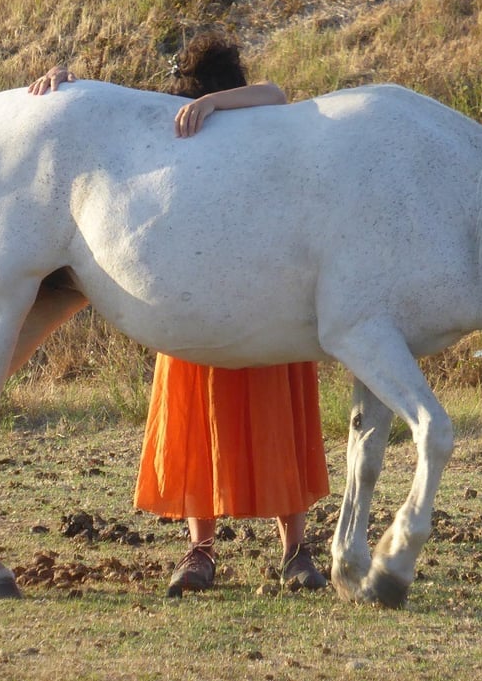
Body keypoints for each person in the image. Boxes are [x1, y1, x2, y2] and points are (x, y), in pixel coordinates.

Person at [28, 31, 330, 596]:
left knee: (231, 415)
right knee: (221, 415)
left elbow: (277, 92)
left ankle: (236, 552)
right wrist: (69, 82)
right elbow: (116, 108)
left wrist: (214, 104)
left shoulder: (249, 117)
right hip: (199, 295)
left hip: (258, 295)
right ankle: (271, 552)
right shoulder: (170, 117)